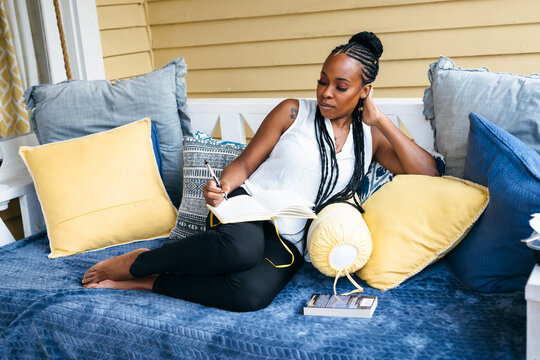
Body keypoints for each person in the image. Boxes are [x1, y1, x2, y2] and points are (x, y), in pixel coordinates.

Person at [82, 31, 439, 312]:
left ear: (365, 91)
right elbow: (246, 163)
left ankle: (151, 281)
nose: (326, 93)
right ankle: (140, 263)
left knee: (249, 296)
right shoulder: (292, 112)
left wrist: (381, 122)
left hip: (289, 238)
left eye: (341, 86)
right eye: (322, 81)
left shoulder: (370, 137)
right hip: (247, 210)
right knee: (242, 251)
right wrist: (221, 186)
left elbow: (428, 174)